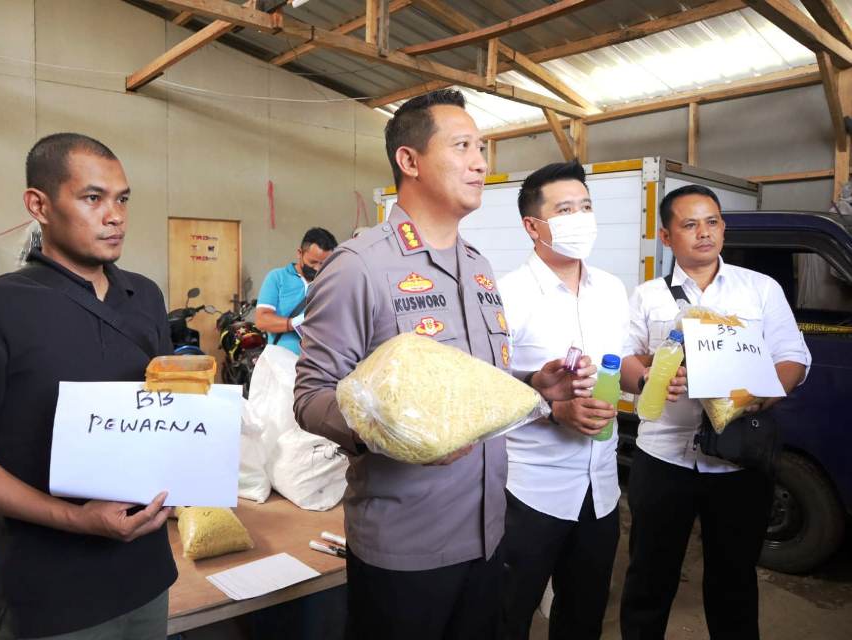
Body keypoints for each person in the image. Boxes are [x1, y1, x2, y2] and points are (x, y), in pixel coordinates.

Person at [293, 89, 593, 640]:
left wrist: (532, 384)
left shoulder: (479, 268)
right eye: (462, 147)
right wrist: (394, 433)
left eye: (481, 148)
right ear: (409, 160)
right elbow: (311, 397)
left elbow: (469, 389)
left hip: (488, 533)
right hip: (405, 546)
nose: (480, 163)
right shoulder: (359, 266)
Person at [0, 133, 176, 639]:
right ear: (38, 205)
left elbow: (160, 412)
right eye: (92, 198)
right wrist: (75, 518)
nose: (115, 216)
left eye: (122, 199)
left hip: (148, 578)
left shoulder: (143, 296)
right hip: (50, 593)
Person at [619, 185, 811, 639]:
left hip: (738, 463)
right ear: (667, 236)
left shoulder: (760, 289)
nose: (704, 233)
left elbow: (793, 358)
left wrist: (755, 396)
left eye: (712, 222)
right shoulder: (648, 295)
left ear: (723, 227)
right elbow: (624, 358)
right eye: (689, 224)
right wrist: (648, 379)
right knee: (649, 576)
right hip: (664, 457)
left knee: (734, 581)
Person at [498, 161, 628, 639]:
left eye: (586, 206)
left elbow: (618, 366)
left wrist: (649, 375)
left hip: (602, 490)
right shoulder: (506, 296)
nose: (581, 218)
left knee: (583, 617)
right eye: (566, 209)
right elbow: (488, 392)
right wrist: (553, 410)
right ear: (533, 226)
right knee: (507, 616)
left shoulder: (612, 289)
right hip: (530, 490)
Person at [254, 227, 337, 355]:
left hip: (319, 361)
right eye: (312, 262)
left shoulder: (331, 284)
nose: (317, 268)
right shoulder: (277, 278)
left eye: (323, 264)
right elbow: (262, 320)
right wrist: (293, 323)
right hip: (281, 361)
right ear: (299, 253)